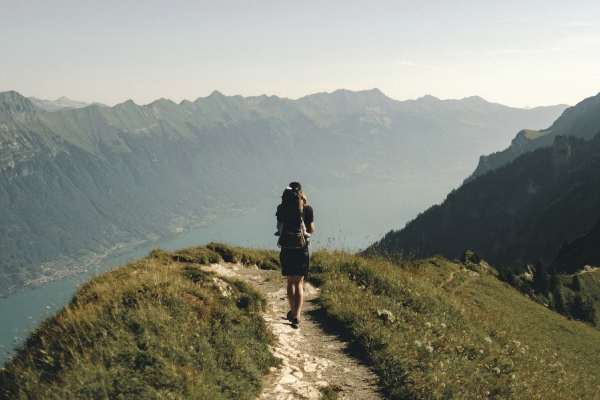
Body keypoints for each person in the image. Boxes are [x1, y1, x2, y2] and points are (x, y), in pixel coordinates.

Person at [276, 182, 314, 329]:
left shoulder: (281, 208)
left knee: (290, 282)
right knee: (299, 283)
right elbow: (311, 229)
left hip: (286, 249)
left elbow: (278, 227)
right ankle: (297, 316)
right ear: (301, 192)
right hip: (301, 249)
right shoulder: (307, 209)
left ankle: (292, 312)